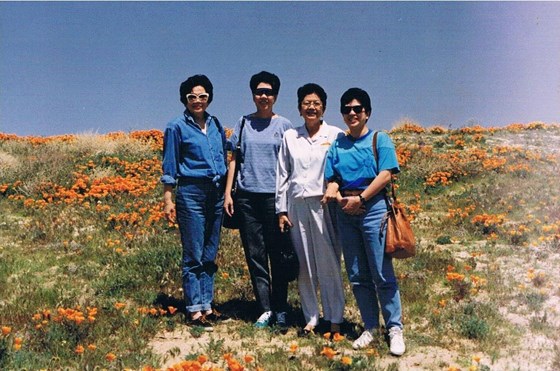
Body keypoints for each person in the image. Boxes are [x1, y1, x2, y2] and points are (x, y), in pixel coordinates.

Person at [322, 88, 406, 356]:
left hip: (373, 208)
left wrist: (361, 198)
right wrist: (333, 191)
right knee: (358, 275)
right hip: (346, 211)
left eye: (357, 109)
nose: (352, 113)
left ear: (367, 112)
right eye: (347, 109)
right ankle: (370, 326)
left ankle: (394, 328)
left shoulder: (380, 139)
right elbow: (333, 176)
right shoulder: (338, 144)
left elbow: (385, 175)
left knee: (381, 271)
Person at [224, 71, 294, 331]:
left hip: (274, 199)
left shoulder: (284, 126)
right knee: (255, 255)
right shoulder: (243, 123)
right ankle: (265, 309)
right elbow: (234, 159)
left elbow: (290, 164)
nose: (263, 96)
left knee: (278, 255)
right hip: (247, 198)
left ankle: (281, 309)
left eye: (268, 92)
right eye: (259, 91)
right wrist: (228, 192)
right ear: (253, 95)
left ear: (275, 96)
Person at [275, 83, 346, 336]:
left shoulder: (335, 135)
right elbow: (283, 174)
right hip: (296, 206)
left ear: (324, 108)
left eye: (316, 103)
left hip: (323, 206)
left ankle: (335, 317)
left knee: (328, 262)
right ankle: (311, 318)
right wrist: (281, 210)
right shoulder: (290, 136)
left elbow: (339, 170)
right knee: (304, 265)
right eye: (307, 103)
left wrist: (334, 187)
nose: (311, 107)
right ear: (299, 108)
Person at [161, 74, 227, 332]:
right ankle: (194, 309)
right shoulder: (176, 127)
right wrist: (168, 198)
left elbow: (223, 151)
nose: (197, 101)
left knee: (210, 252)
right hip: (191, 192)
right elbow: (170, 164)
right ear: (184, 100)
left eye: (202, 96)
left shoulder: (215, 124)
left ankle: (207, 305)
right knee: (194, 253)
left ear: (208, 98)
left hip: (217, 192)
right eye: (192, 97)